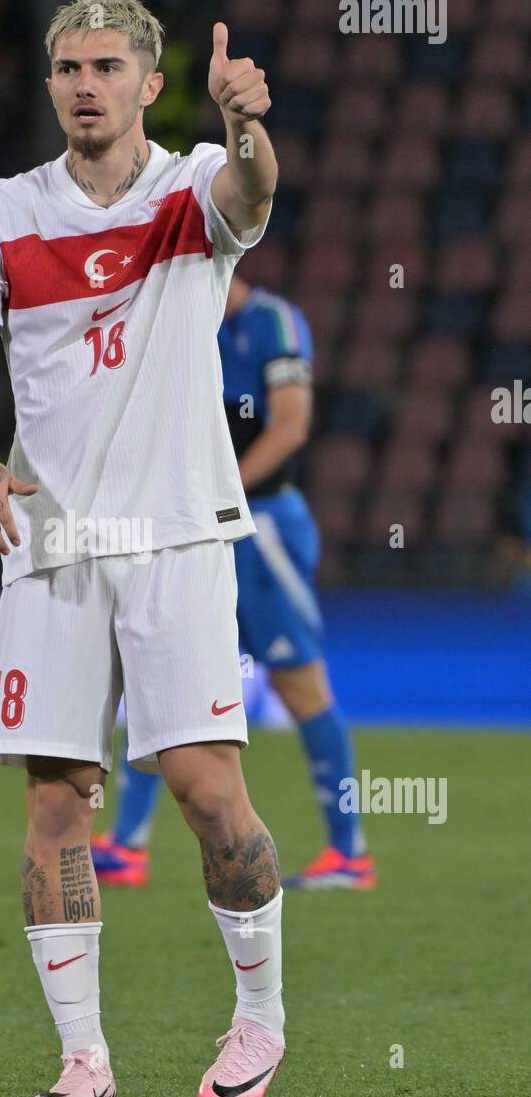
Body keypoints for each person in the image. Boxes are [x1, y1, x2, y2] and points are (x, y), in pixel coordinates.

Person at [0, 0, 285, 1097]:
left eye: (106, 66)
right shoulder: (1, 208)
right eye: (67, 68)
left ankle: (259, 1019)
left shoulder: (189, 187)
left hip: (176, 528)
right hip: (51, 539)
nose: (84, 84)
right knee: (53, 801)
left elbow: (254, 191)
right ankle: (84, 1053)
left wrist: (246, 127)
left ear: (147, 82)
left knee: (204, 790)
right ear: (50, 83)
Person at [95, 277, 377, 891]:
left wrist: (220, 494)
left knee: (301, 685)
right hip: (199, 531)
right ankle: (127, 844)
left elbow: (291, 426)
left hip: (262, 528)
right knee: (160, 673)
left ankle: (349, 853)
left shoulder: (272, 322)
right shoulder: (177, 323)